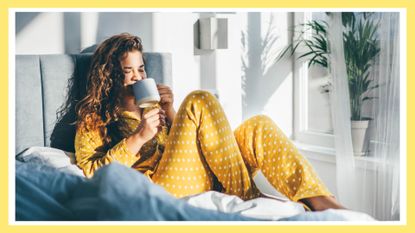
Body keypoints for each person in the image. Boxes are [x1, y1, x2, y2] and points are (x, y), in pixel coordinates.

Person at [74, 33, 344, 211]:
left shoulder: (154, 104)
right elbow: (92, 174)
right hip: (160, 187)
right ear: (109, 76)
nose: (137, 77)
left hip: (199, 176)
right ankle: (249, 198)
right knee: (199, 98)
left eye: (141, 69)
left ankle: (323, 201)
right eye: (127, 71)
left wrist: (170, 111)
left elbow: (186, 148)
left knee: (257, 126)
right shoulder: (94, 118)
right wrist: (139, 137)